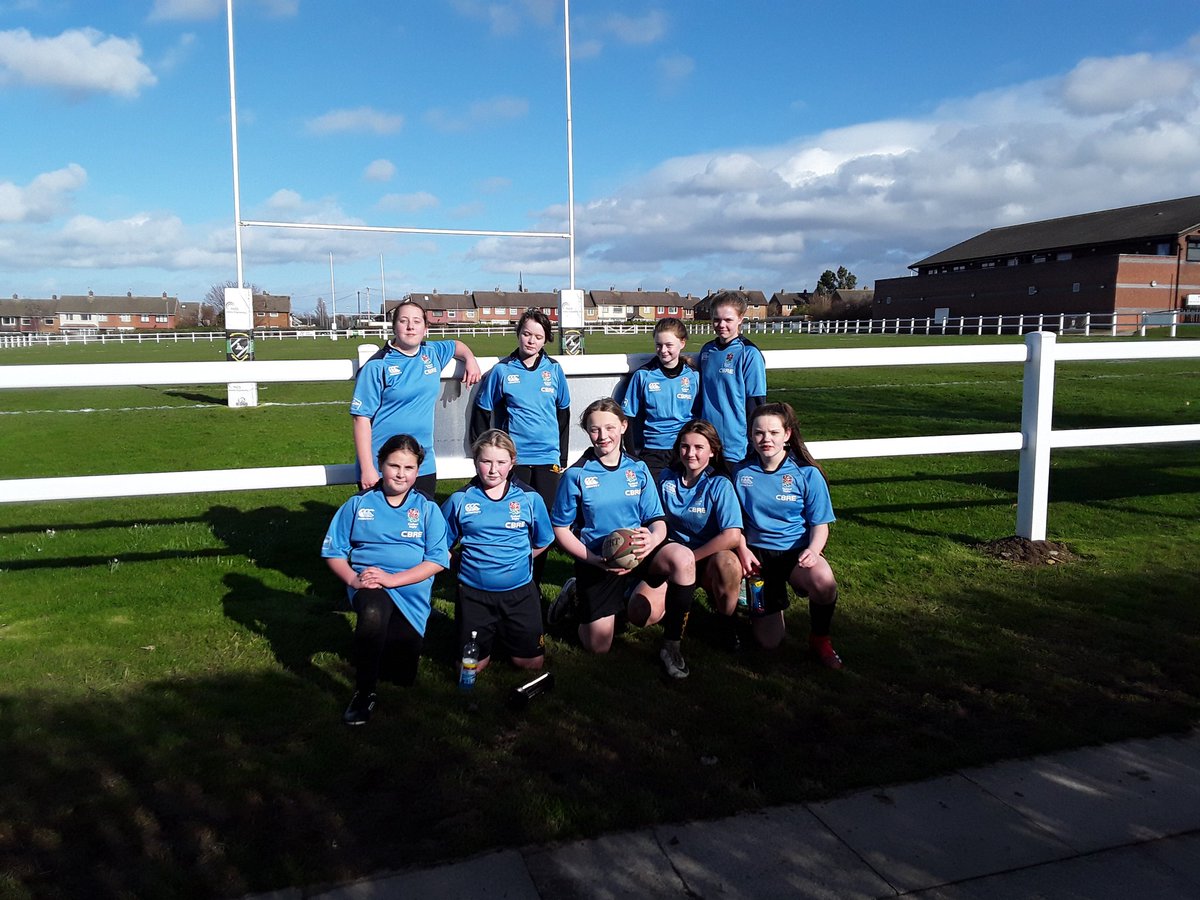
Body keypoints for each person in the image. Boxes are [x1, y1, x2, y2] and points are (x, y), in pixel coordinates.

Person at [548, 398, 697, 678]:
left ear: (624, 426)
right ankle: (576, 593)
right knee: (598, 646)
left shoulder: (638, 469)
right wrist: (593, 559)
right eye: (595, 430)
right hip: (598, 558)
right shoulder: (577, 475)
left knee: (683, 558)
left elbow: (658, 521)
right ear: (587, 432)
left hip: (638, 550)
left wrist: (652, 541)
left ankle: (672, 646)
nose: (603, 436)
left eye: (609, 428)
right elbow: (560, 529)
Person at [322, 434, 451, 725]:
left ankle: (379, 644)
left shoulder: (428, 508)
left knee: (400, 675)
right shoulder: (358, 505)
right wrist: (354, 580)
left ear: (418, 470)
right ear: (381, 465)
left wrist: (394, 580)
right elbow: (333, 551)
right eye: (394, 466)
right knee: (372, 614)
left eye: (409, 468)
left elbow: (437, 561)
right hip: (371, 586)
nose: (401, 474)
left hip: (409, 593)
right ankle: (363, 693)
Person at [732, 402, 843, 668]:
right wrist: (743, 550)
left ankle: (820, 639)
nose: (765, 439)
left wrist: (814, 551)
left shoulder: (807, 474)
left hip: (796, 554)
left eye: (773, 432)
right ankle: (759, 609)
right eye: (759, 433)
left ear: (787, 435)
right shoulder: (740, 473)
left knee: (824, 582)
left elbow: (820, 524)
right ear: (750, 435)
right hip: (758, 560)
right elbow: (734, 524)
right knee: (769, 642)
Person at [469, 308, 570, 588]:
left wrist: (561, 455)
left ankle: (533, 585)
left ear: (545, 339)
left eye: (538, 336)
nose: (531, 340)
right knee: (516, 523)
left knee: (543, 526)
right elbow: (482, 410)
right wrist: (482, 454)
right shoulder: (503, 371)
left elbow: (563, 414)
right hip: (515, 461)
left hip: (547, 458)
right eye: (526, 333)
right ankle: (513, 580)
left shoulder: (554, 370)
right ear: (518, 334)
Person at [441, 429, 554, 676]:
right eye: (486, 462)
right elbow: (439, 544)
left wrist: (519, 559)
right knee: (469, 669)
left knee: (530, 665)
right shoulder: (460, 500)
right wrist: (461, 563)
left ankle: (507, 633)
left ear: (513, 462)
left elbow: (544, 539)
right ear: (475, 462)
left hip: (520, 593)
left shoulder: (529, 499)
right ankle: (490, 636)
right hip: (474, 594)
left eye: (501, 462)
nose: (493, 470)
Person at [351, 298, 481, 498]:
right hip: (384, 462)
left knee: (419, 523)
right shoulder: (377, 365)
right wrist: (368, 468)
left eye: (417, 321)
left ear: (425, 328)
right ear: (394, 327)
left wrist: (470, 359)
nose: (410, 326)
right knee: (385, 526)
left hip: (423, 462)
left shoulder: (432, 352)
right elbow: (361, 419)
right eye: (403, 321)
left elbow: (457, 346)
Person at [655, 420, 745, 651]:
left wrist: (690, 559)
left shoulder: (719, 484)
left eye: (699, 447)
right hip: (673, 556)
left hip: (707, 557)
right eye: (685, 447)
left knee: (728, 563)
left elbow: (732, 535)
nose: (690, 453)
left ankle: (726, 622)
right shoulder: (666, 478)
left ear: (712, 451)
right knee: (640, 615)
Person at [619, 317, 700, 480]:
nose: (663, 350)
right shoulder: (643, 375)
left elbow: (700, 414)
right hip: (653, 451)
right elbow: (627, 417)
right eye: (658, 345)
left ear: (682, 343)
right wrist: (631, 455)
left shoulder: (694, 376)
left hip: (685, 449)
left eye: (669, 345)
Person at [696, 290, 767, 464]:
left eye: (728, 320)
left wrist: (753, 442)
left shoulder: (749, 354)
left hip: (736, 445)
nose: (721, 324)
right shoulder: (707, 351)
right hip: (707, 439)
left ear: (741, 318)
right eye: (717, 319)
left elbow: (756, 402)